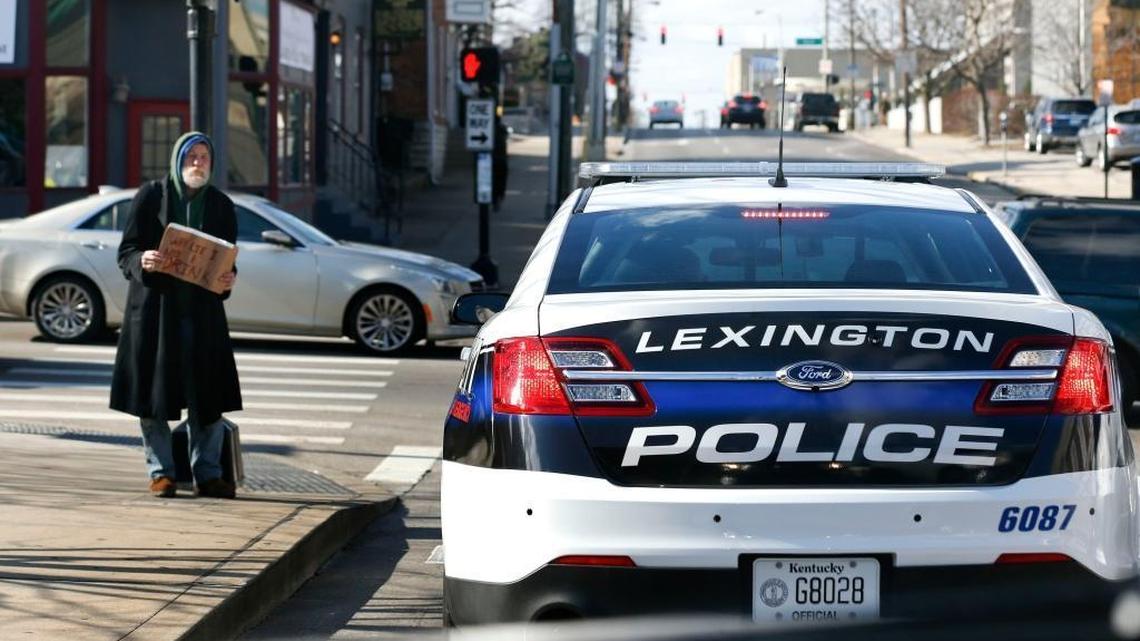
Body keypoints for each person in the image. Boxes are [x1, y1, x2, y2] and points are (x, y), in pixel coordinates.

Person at [110, 131, 242, 499]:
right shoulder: (151, 195)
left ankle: (208, 474)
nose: (198, 163)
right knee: (154, 396)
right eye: (191, 156)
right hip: (157, 314)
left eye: (204, 156)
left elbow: (228, 259)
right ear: (177, 160)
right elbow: (126, 253)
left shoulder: (220, 205)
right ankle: (161, 473)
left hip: (203, 316)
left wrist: (229, 278)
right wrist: (144, 259)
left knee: (208, 395)